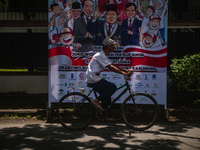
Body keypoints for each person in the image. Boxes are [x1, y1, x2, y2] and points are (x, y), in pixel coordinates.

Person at [85, 37, 133, 114]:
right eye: (112, 46)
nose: (114, 47)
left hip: (93, 77)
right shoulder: (100, 55)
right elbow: (111, 67)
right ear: (108, 46)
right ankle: (96, 101)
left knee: (107, 96)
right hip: (93, 78)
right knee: (112, 87)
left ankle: (106, 116)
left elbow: (113, 65)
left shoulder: (103, 55)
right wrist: (124, 73)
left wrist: (126, 70)